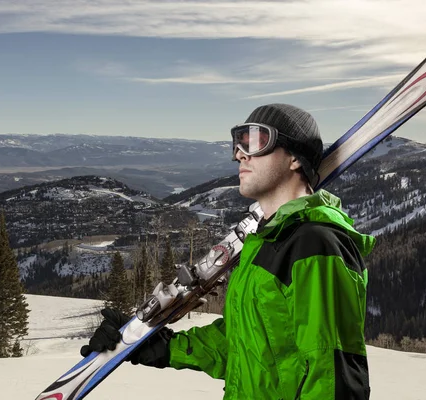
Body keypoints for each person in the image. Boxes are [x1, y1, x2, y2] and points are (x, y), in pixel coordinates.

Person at [81, 103, 376, 399]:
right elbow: (243, 343)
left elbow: (334, 378)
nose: (239, 154)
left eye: (256, 140)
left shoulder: (316, 245)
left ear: (294, 159)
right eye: (238, 142)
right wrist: (160, 346)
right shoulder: (266, 240)